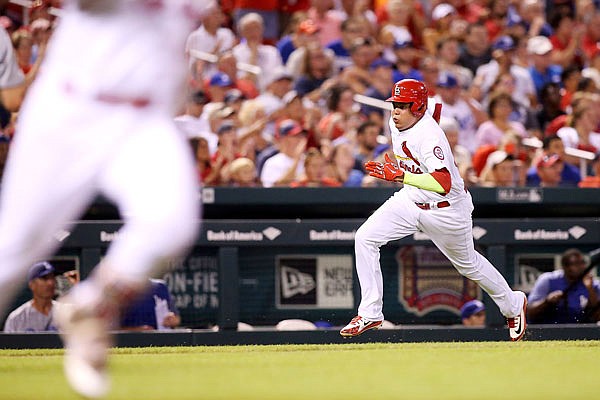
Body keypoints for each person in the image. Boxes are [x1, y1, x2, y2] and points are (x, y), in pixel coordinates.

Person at [0, 1, 208, 398]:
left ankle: (89, 308)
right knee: (10, 253)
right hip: (72, 108)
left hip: (143, 122)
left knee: (171, 223)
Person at [339, 79, 527, 341]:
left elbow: (442, 182)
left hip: (445, 209)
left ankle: (513, 304)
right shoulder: (401, 120)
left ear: (416, 108)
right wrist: (405, 178)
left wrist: (401, 175)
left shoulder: (429, 136)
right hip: (411, 199)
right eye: (394, 104)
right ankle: (371, 313)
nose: (395, 111)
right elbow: (435, 106)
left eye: (402, 106)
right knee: (365, 237)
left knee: (469, 265)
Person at [527, 248, 600, 324]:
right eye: (576, 264)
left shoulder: (593, 284)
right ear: (565, 267)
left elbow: (597, 317)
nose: (581, 267)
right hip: (549, 331)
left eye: (582, 263)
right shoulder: (548, 280)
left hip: (583, 332)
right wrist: (547, 302)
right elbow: (530, 312)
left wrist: (590, 290)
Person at [3, 261, 59, 333]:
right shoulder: (17, 318)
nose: (50, 283)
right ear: (31, 284)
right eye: (44, 278)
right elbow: (8, 343)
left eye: (52, 278)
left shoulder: (66, 312)